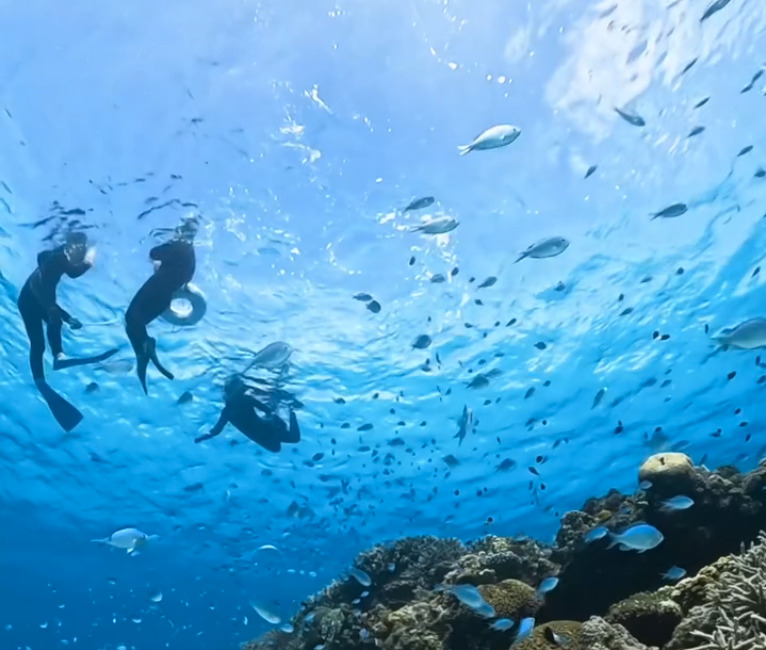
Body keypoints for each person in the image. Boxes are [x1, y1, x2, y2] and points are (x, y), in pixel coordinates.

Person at [17, 232, 118, 431]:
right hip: (31, 301)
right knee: (41, 337)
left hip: (33, 301)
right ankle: (53, 363)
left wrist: (68, 317)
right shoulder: (55, 261)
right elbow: (70, 276)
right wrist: (90, 258)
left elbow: (54, 288)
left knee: (47, 331)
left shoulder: (54, 262)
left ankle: (52, 364)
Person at [125, 217, 197, 394]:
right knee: (136, 324)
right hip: (165, 296)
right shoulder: (191, 255)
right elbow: (188, 277)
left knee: (131, 318)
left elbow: (153, 253)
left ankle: (146, 348)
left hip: (156, 287)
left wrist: (167, 241)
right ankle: (144, 353)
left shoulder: (176, 247)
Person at [195, 375, 301, 452]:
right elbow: (216, 430)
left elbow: (267, 411)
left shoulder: (237, 405)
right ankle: (289, 409)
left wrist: (273, 419)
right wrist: (204, 437)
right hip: (261, 431)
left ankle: (290, 410)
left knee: (287, 441)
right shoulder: (231, 408)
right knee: (277, 447)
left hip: (264, 427)